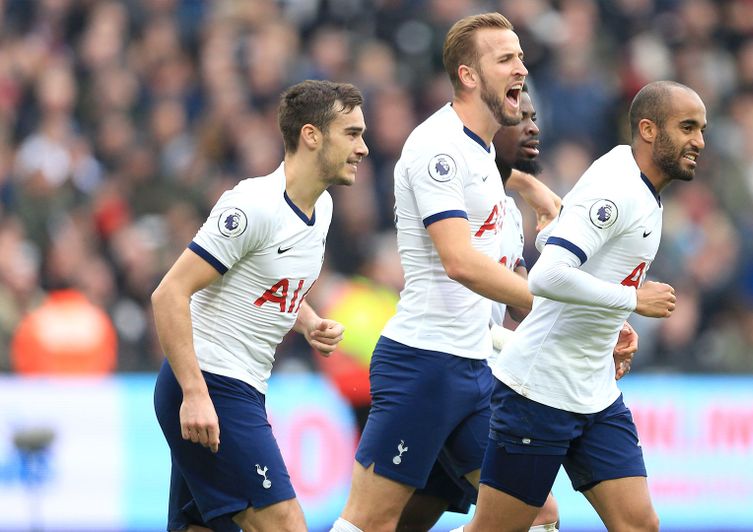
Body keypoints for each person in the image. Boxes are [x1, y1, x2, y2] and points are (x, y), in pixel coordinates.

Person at [332, 12, 558, 532]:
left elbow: (509, 276)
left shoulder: (485, 158)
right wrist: (559, 304)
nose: (520, 68)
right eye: (505, 59)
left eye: (520, 56)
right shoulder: (437, 146)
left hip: (476, 368)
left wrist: (589, 319)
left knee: (533, 515)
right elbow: (459, 262)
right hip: (424, 365)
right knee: (370, 522)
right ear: (469, 76)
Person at [457, 80, 707, 532]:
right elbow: (547, 275)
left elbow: (569, 244)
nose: (699, 141)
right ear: (648, 130)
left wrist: (613, 322)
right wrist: (632, 300)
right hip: (539, 393)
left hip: (594, 393)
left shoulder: (629, 175)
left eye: (701, 129)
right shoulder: (619, 189)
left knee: (640, 525)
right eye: (687, 127)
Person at [151, 80, 368, 532]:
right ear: (311, 135)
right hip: (212, 384)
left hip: (241, 387)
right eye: (351, 133)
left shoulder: (321, 207)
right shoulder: (252, 206)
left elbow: (269, 283)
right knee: (286, 523)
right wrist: (195, 394)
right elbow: (168, 294)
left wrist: (306, 322)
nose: (362, 148)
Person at [396, 87, 562, 532]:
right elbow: (462, 264)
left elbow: (519, 300)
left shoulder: (507, 210)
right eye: (519, 117)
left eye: (534, 116)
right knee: (537, 514)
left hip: (472, 369)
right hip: (441, 364)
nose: (532, 126)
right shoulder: (454, 173)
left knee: (404, 521)